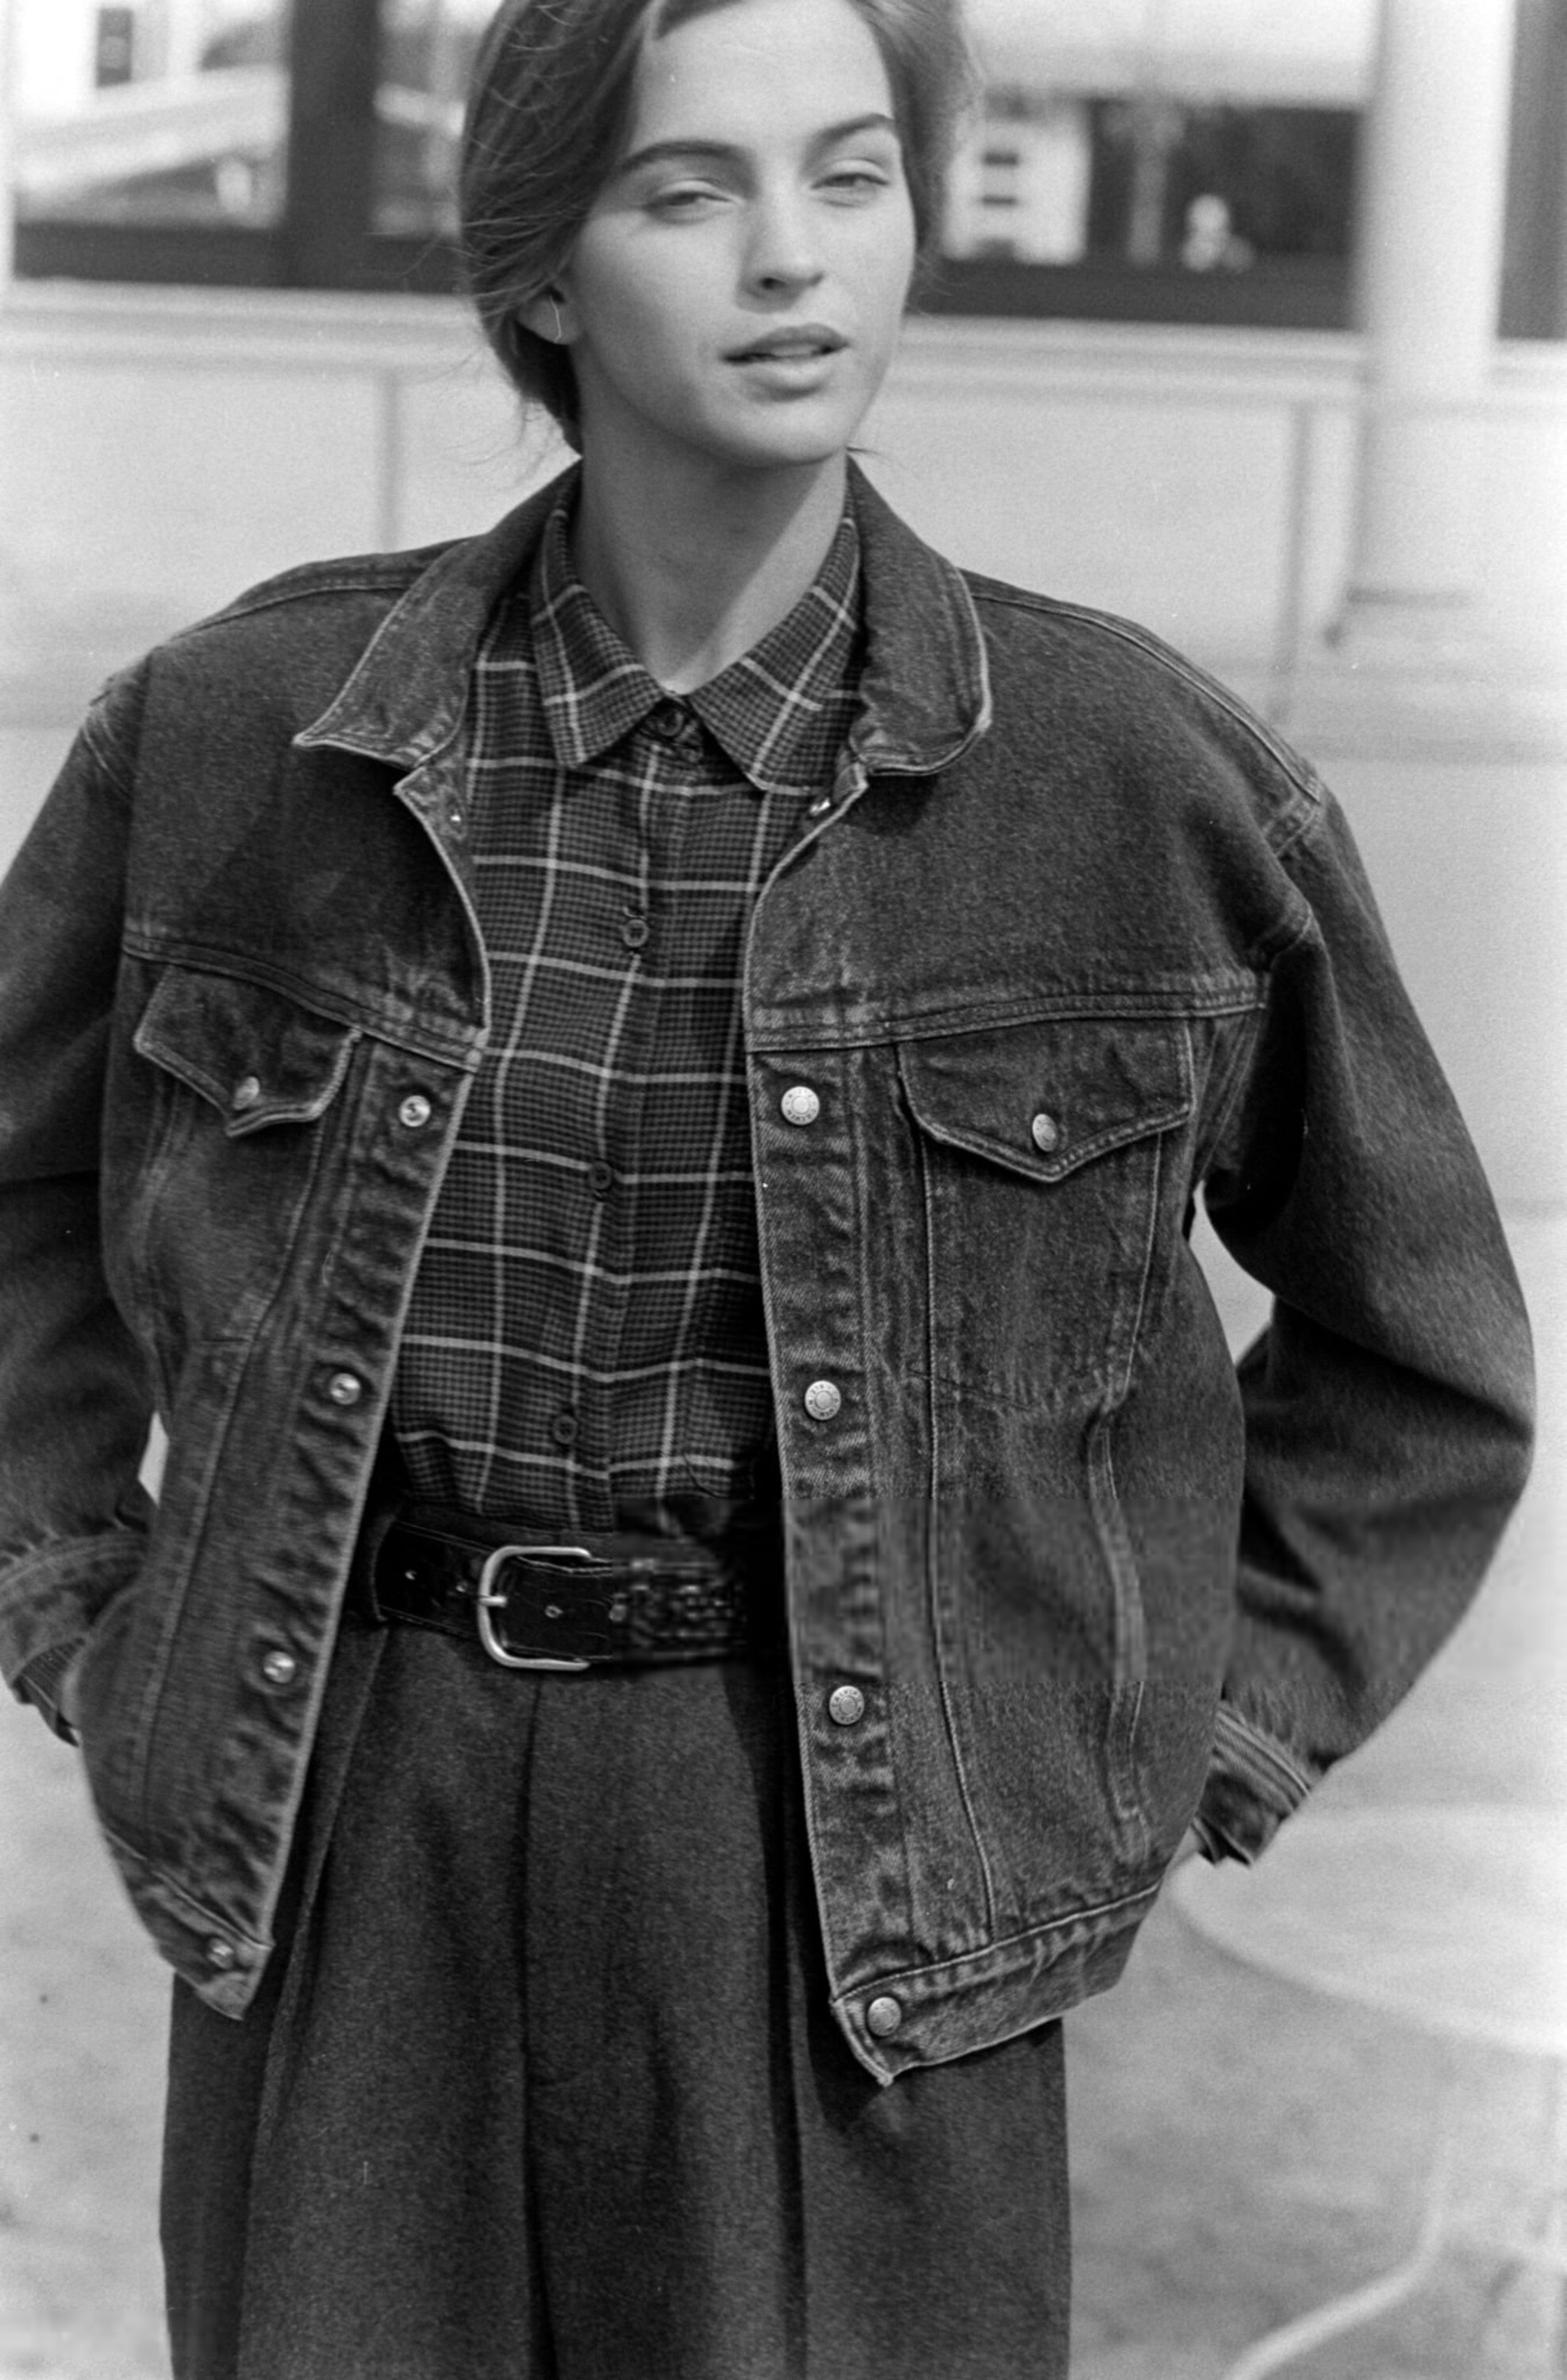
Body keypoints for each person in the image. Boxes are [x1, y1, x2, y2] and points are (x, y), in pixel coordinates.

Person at [0, 0, 1534, 2373]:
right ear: (539, 263)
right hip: (347, 1822)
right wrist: (90, 1621)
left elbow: (1422, 1359)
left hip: (857, 1888)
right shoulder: (238, 741)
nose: (793, 257)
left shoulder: (1138, 789)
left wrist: (1171, 1744)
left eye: (853, 173)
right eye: (689, 189)